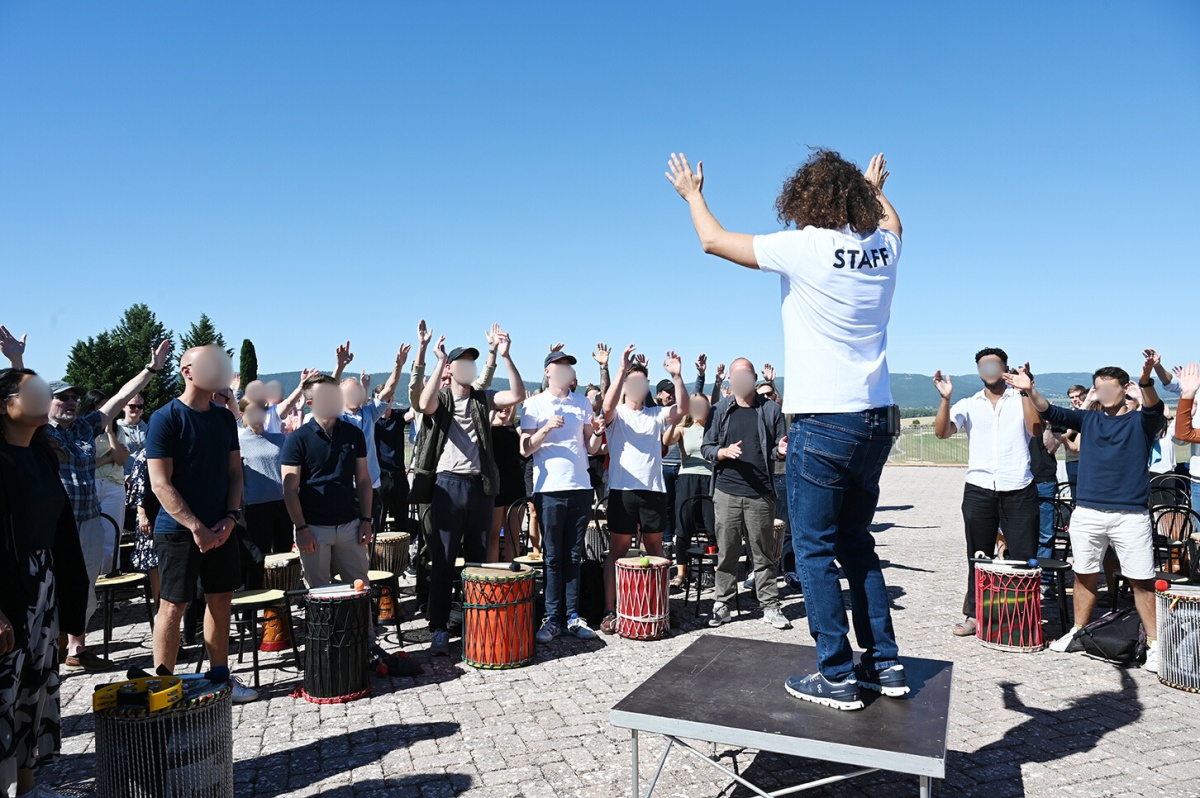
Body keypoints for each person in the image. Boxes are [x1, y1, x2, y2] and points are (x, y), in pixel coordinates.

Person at [667, 147, 907, 710]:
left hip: (824, 418)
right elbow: (893, 221)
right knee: (857, 544)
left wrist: (692, 195)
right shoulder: (883, 250)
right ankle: (885, 665)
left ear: (805, 201)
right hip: (877, 419)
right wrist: (872, 188)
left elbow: (714, 240)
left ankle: (836, 673)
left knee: (816, 549)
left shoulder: (805, 246)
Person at [1004, 356, 1163, 672]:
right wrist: (1028, 389)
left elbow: (1154, 409)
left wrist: (1146, 379)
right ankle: (1078, 631)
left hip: (1129, 515)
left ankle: (1155, 644)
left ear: (1124, 389)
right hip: (1087, 511)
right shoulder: (1089, 420)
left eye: (1109, 388)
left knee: (1141, 580)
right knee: (1085, 573)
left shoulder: (1140, 422)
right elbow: (1051, 412)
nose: (1103, 394)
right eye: (1098, 388)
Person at [45, 338, 172, 672]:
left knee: (86, 588)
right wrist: (16, 360)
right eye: (62, 398)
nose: (71, 402)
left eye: (74, 397)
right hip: (54, 526)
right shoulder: (38, 430)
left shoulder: (85, 427)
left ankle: (76, 648)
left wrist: (151, 369)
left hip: (88, 521)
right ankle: (49, 650)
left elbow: (119, 398)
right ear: (46, 403)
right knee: (52, 587)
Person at [147, 345, 256, 702]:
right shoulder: (165, 418)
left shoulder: (224, 417)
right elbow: (160, 482)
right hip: (177, 530)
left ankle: (220, 678)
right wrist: (196, 526)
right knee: (173, 605)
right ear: (187, 371)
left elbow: (235, 473)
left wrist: (229, 517)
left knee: (221, 598)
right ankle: (163, 687)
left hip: (222, 527)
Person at [0, 368, 89, 798]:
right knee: (3, 692)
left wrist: (68, 605)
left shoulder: (40, 455)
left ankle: (29, 786)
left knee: (36, 687)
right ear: (5, 404)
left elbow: (61, 533)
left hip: (43, 585)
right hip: (7, 590)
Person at [412, 329, 527, 656]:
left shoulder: (482, 397)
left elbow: (517, 395)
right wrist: (440, 363)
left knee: (477, 563)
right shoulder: (445, 397)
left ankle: (477, 625)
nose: (469, 369)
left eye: (471, 364)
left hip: (481, 487)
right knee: (444, 561)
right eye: (462, 363)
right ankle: (437, 628)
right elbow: (424, 402)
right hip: (448, 485)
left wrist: (505, 356)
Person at [933, 348, 1042, 637]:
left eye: (994, 364)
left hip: (1018, 486)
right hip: (979, 488)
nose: (989, 369)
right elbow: (942, 432)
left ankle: (1020, 620)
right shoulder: (970, 404)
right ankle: (975, 616)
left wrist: (1026, 391)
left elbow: (1036, 428)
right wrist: (945, 399)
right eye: (984, 366)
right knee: (978, 555)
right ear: (980, 371)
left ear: (1005, 367)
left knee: (1022, 557)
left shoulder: (1020, 400)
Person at [597, 346, 687, 635]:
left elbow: (683, 410)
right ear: (624, 386)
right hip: (622, 489)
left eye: (642, 383)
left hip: (653, 490)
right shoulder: (616, 415)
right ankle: (610, 610)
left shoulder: (655, 414)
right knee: (618, 551)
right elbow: (607, 408)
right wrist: (621, 369)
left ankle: (658, 606)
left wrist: (677, 376)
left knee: (656, 549)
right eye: (631, 383)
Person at [521, 350, 605, 642]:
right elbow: (525, 449)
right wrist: (545, 428)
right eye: (562, 366)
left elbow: (592, 448)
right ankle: (551, 617)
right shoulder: (533, 405)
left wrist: (597, 432)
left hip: (580, 487)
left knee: (573, 555)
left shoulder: (582, 402)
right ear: (548, 371)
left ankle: (573, 616)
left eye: (570, 367)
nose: (567, 371)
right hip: (549, 489)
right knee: (553, 557)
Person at [701, 358, 790, 629]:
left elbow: (776, 447)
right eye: (735, 376)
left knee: (762, 553)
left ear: (753, 377)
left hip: (761, 493)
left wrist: (781, 451)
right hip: (727, 491)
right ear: (729, 379)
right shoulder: (719, 411)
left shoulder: (771, 410)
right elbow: (707, 448)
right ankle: (723, 604)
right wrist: (722, 452)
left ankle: (770, 606)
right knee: (727, 552)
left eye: (745, 375)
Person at [280, 374, 373, 598]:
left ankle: (363, 634)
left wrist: (367, 521)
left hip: (350, 525)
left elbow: (363, 480)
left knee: (361, 589)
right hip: (313, 528)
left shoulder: (354, 434)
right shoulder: (297, 439)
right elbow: (289, 489)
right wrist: (301, 529)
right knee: (320, 595)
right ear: (310, 403)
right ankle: (324, 635)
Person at [334, 341, 409, 533]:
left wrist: (398, 366)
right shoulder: (335, 418)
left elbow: (388, 391)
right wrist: (340, 367)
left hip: (370, 487)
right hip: (343, 488)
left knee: (372, 535)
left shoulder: (368, 414)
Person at [239, 398, 295, 588]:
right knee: (258, 557)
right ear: (243, 414)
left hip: (282, 503)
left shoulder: (279, 438)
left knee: (283, 555)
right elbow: (237, 479)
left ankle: (280, 605)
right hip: (255, 507)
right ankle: (254, 602)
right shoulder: (239, 442)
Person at [663, 392, 713, 590]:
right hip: (687, 478)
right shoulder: (684, 429)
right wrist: (675, 421)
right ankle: (681, 573)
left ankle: (715, 571)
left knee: (712, 527)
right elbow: (667, 441)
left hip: (709, 478)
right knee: (683, 528)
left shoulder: (713, 429)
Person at [81, 390, 129, 574]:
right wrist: (109, 457)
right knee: (89, 538)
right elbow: (84, 463)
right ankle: (91, 589)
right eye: (100, 406)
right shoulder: (82, 430)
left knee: (112, 536)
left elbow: (122, 460)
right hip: (90, 485)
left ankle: (110, 587)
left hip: (114, 485)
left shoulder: (118, 430)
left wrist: (110, 433)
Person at [126, 448, 161, 607]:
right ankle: (158, 605)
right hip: (149, 514)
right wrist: (142, 514)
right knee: (154, 562)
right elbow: (138, 486)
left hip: (169, 512)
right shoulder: (145, 454)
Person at [1060, 384, 1087, 488]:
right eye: (1072, 397)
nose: (1075, 400)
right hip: (1073, 459)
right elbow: (1062, 435)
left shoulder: (1094, 413)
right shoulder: (1068, 416)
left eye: (1077, 396)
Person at [116, 394, 148, 477]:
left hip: (144, 477)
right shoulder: (116, 429)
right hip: (121, 478)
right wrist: (126, 477)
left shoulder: (148, 428)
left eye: (140, 406)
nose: (136, 409)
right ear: (124, 407)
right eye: (132, 406)